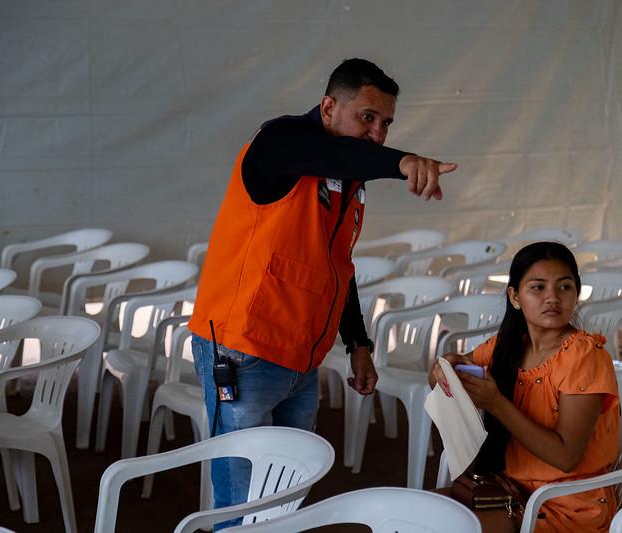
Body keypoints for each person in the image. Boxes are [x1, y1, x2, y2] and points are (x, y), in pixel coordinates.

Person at [187, 58, 457, 527]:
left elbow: (336, 268)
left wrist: (358, 343)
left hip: (302, 360)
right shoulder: (279, 142)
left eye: (386, 124)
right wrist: (401, 162)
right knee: (243, 505)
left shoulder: (348, 180)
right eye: (367, 117)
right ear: (329, 107)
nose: (377, 134)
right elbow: (333, 154)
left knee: (287, 496)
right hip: (244, 352)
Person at [430, 242, 620, 532]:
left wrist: (497, 404)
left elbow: (566, 457)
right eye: (538, 287)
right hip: (506, 490)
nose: (552, 297)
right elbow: (442, 381)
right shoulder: (507, 346)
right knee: (417, 516)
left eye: (565, 287)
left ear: (576, 294)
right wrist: (443, 369)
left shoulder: (584, 356)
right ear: (515, 297)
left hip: (565, 504)